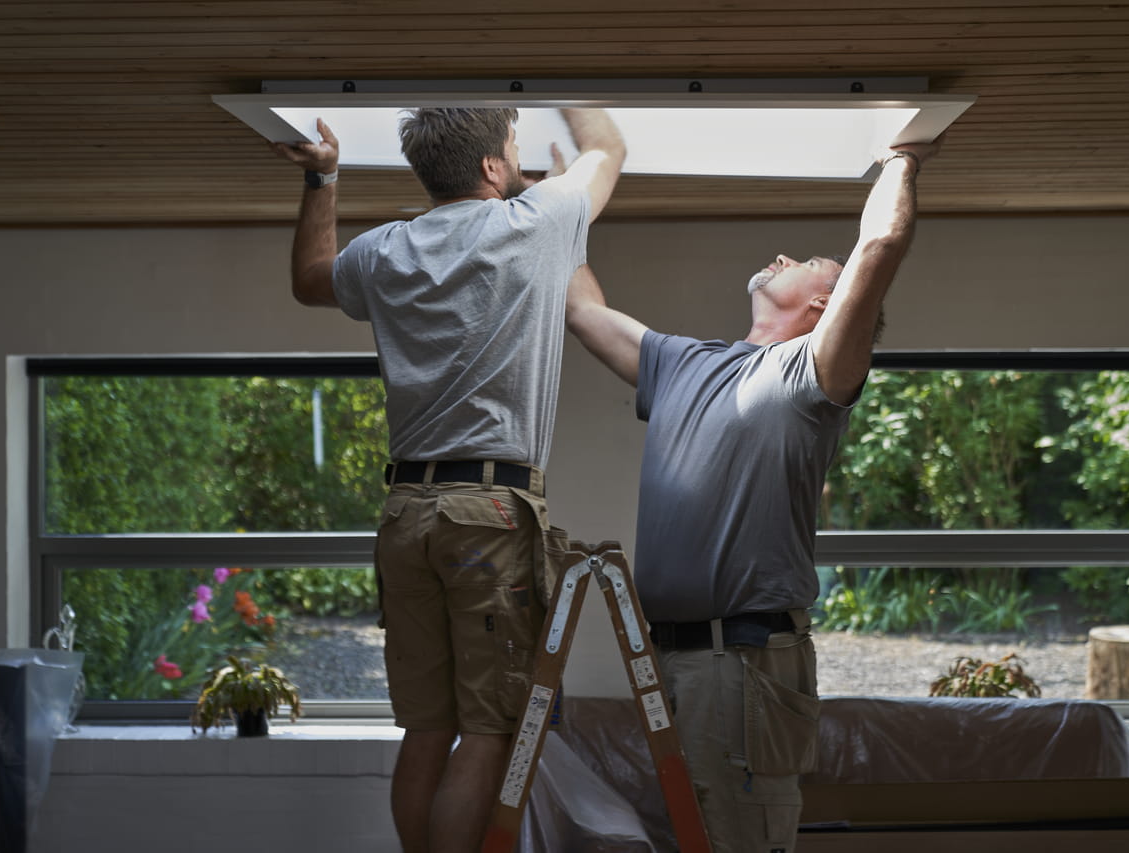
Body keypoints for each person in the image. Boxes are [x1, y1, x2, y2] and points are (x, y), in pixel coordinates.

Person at [565, 137, 942, 853]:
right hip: (673, 660)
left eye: (805, 261)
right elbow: (582, 308)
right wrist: (551, 209)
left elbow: (881, 242)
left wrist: (905, 155)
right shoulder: (684, 362)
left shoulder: (813, 372)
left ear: (825, 304)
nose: (781, 256)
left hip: (742, 663)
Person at [271, 107, 624, 853]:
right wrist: (565, 85)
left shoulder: (385, 249)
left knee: (428, 728)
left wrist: (323, 177)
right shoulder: (537, 220)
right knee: (492, 729)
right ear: (493, 166)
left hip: (408, 514)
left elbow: (307, 280)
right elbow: (607, 146)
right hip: (487, 514)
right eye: (511, 148)